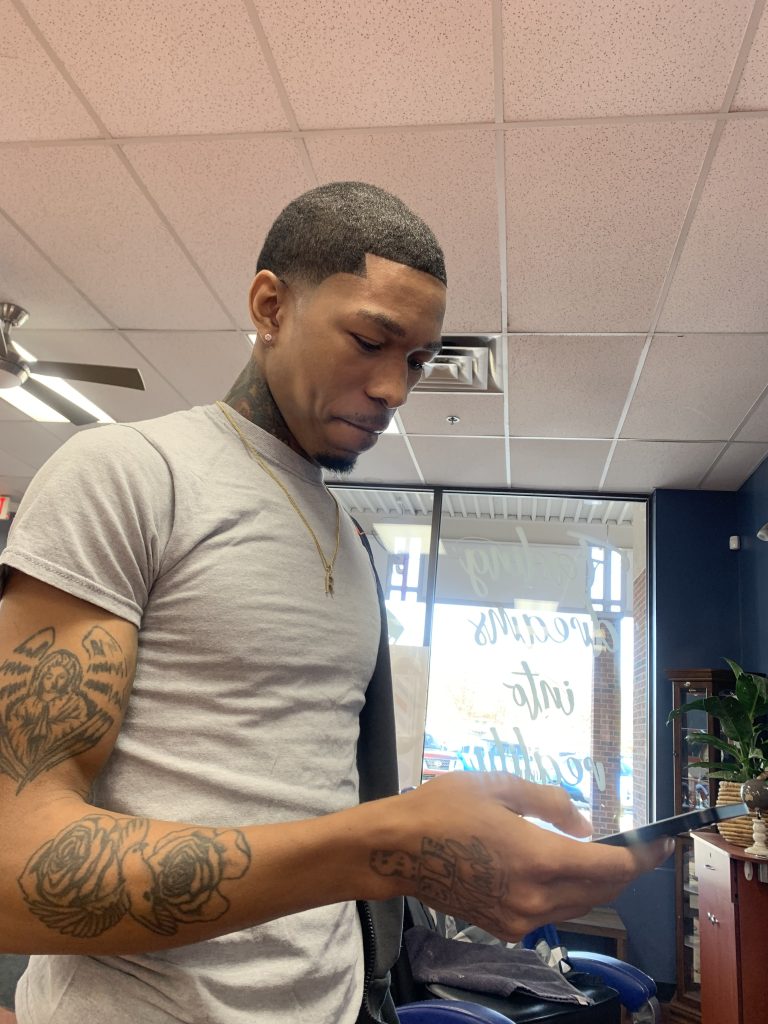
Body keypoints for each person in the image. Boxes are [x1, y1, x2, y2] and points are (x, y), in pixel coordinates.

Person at [0, 181, 670, 1024]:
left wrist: (427, 823)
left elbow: (298, 787)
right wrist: (392, 847)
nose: (395, 387)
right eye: (369, 339)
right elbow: (13, 864)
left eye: (420, 360)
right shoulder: (127, 474)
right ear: (270, 305)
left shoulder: (351, 540)